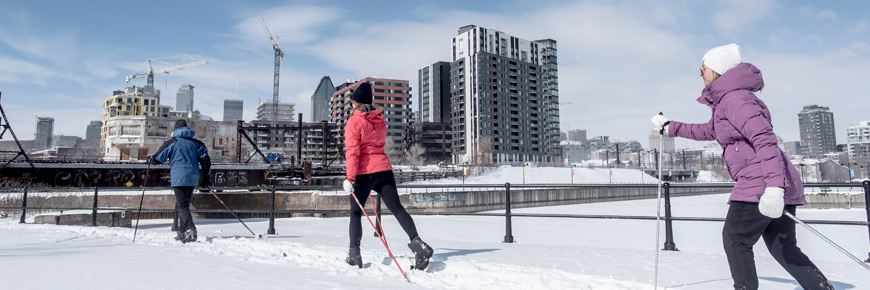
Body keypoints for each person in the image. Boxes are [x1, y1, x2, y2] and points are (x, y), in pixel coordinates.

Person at [651, 43, 833, 290]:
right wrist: (671, 127)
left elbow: (765, 140)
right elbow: (710, 130)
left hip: (762, 181)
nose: (700, 74)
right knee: (784, 249)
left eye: (702, 68)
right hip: (771, 179)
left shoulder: (735, 99)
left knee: (735, 238)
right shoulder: (728, 101)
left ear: (716, 70)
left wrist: (774, 188)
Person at [342, 82, 434, 270]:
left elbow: (353, 151)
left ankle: (354, 254)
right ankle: (417, 243)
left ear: (357, 103)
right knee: (398, 209)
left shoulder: (354, 121)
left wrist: (350, 179)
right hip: (384, 170)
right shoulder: (379, 119)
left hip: (364, 172)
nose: (351, 106)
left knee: (355, 212)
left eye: (352, 102)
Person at [148, 119, 211, 244]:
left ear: (175, 130)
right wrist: (205, 179)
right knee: (185, 204)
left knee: (182, 206)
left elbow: (158, 159)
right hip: (193, 177)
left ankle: (191, 229)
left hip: (179, 177)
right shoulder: (197, 144)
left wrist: (150, 159)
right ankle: (182, 232)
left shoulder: (172, 142)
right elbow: (206, 161)